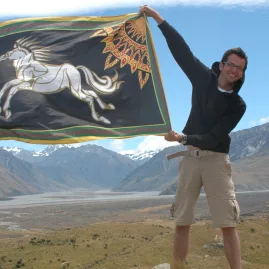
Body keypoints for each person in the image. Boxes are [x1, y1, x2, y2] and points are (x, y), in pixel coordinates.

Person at [139, 5, 247, 269]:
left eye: (240, 68)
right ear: (222, 65)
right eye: (231, 65)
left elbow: (214, 136)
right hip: (190, 160)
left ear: (242, 73)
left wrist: (182, 138)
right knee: (182, 222)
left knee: (228, 224)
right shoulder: (203, 79)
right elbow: (181, 52)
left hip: (216, 161)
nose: (234, 71)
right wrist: (158, 19)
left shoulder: (238, 105)